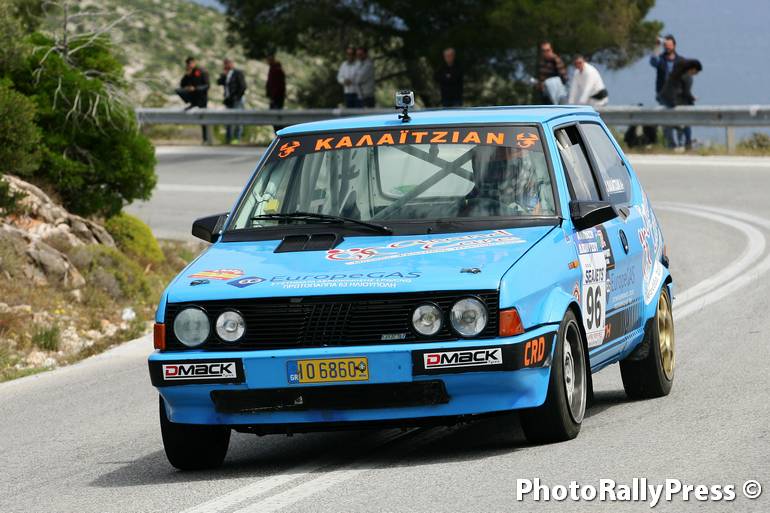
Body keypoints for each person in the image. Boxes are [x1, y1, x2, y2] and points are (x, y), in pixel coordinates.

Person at [659, 59, 703, 150]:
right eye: (697, 72)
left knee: (668, 124)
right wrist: (692, 100)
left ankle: (672, 145)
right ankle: (686, 144)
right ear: (693, 69)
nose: (696, 74)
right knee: (684, 124)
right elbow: (686, 93)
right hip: (676, 102)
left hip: (666, 100)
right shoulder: (688, 77)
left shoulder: (676, 73)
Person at [649, 35, 684, 147]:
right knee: (666, 121)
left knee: (680, 120)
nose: (667, 47)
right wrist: (656, 46)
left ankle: (682, 143)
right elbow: (653, 61)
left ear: (674, 46)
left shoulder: (680, 61)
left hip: (677, 96)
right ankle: (671, 145)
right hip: (663, 95)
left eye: (669, 45)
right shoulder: (661, 60)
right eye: (665, 46)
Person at [176, 57, 210, 142]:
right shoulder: (189, 73)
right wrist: (187, 75)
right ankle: (190, 103)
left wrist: (195, 88)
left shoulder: (202, 71)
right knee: (178, 90)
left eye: (190, 63)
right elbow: (182, 85)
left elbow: (207, 86)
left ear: (194, 63)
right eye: (188, 64)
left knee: (203, 119)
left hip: (201, 99)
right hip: (193, 99)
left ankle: (205, 139)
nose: (189, 65)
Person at [216, 58, 247, 144]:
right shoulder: (225, 74)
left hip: (237, 100)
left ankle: (237, 138)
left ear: (232, 63)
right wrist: (223, 75)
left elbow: (243, 86)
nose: (226, 65)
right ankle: (228, 139)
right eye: (225, 63)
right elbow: (218, 82)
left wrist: (237, 97)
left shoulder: (238, 73)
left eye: (228, 63)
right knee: (228, 120)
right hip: (228, 100)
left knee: (238, 119)